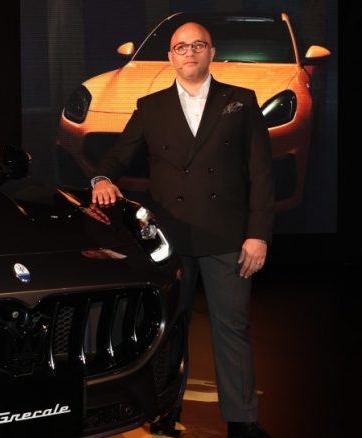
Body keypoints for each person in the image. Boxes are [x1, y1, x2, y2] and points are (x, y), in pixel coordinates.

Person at [91, 21, 274, 438]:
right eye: (180, 47)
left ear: (212, 52)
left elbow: (262, 174)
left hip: (228, 236)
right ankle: (164, 411)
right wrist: (101, 179)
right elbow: (117, 157)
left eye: (197, 45)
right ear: (170, 57)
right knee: (168, 330)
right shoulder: (150, 106)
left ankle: (243, 421)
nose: (189, 52)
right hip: (170, 239)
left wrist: (258, 234)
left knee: (233, 329)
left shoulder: (241, 101)